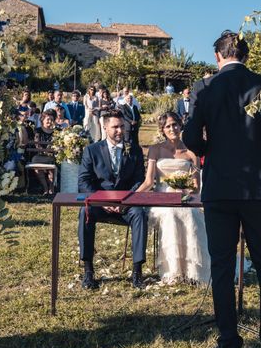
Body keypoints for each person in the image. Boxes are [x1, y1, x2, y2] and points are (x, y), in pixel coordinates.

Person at [183, 30, 261, 348]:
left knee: (221, 268)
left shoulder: (205, 87)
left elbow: (189, 135)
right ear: (245, 55)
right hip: (258, 188)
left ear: (218, 56)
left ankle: (229, 346)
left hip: (219, 187)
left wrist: (209, 151)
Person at [77, 110, 148, 289]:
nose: (119, 131)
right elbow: (83, 182)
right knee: (84, 211)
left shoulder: (135, 150)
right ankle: (88, 271)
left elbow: (139, 180)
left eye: (122, 127)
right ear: (105, 127)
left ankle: (137, 271)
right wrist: (103, 201)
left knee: (139, 214)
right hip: (100, 205)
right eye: (115, 127)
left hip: (126, 204)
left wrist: (124, 201)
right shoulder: (91, 150)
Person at [137, 112, 210, 284]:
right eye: (168, 126)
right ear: (162, 129)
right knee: (170, 214)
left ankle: (193, 271)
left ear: (180, 125)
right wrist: (132, 197)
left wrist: (184, 190)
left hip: (186, 197)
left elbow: (196, 186)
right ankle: (173, 271)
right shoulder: (155, 150)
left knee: (191, 216)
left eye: (175, 124)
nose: (172, 129)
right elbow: (148, 181)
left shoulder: (192, 152)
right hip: (162, 197)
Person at [31, 110, 57, 196]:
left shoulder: (56, 132)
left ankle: (51, 187)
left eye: (52, 119)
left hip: (52, 156)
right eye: (48, 119)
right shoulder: (37, 131)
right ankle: (45, 187)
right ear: (43, 120)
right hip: (40, 154)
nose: (50, 121)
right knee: (36, 162)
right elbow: (37, 144)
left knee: (52, 163)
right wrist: (45, 151)